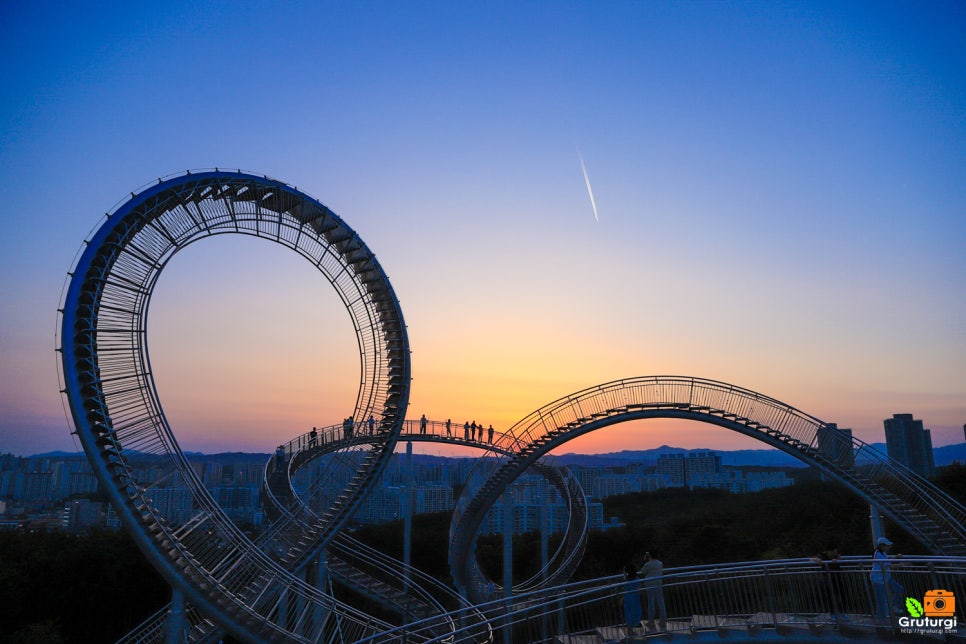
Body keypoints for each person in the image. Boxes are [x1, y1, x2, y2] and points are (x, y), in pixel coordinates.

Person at [870, 536, 903, 620]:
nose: (888, 547)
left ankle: (893, 605)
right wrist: (902, 564)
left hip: (886, 577)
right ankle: (881, 620)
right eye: (887, 545)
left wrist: (895, 557)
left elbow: (887, 560)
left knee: (899, 589)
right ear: (882, 546)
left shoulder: (882, 553)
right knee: (880, 600)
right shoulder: (878, 554)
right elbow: (889, 565)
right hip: (878, 580)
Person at [812, 544, 845, 619]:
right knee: (830, 596)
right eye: (833, 552)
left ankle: (843, 613)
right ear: (829, 551)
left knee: (842, 595)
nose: (835, 553)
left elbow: (841, 559)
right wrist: (817, 560)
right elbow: (811, 558)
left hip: (837, 578)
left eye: (835, 552)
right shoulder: (822, 555)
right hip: (827, 579)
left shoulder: (836, 555)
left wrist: (838, 560)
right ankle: (832, 613)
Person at [641, 551, 667, 631]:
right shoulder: (660, 563)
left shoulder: (648, 564)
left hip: (650, 586)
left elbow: (643, 571)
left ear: (650, 556)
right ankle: (663, 621)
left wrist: (645, 560)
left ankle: (651, 621)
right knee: (661, 602)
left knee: (651, 604)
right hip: (658, 584)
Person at [620, 563, 643, 639]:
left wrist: (624, 571)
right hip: (634, 598)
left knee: (628, 614)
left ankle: (630, 630)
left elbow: (624, 579)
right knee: (635, 613)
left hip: (627, 598)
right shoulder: (636, 579)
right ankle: (631, 631)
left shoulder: (626, 578)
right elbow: (639, 590)